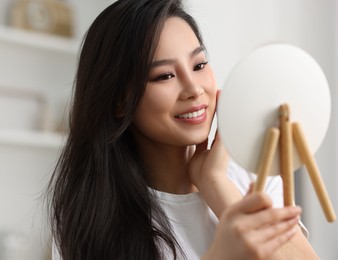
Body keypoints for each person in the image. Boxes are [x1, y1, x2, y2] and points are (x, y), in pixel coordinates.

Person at [47, 0, 319, 259]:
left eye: (199, 65)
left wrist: (215, 184)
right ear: (119, 101)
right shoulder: (90, 221)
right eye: (164, 76)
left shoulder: (252, 177)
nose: (194, 89)